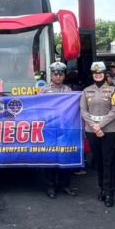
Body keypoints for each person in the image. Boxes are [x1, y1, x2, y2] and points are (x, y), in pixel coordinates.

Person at [81, 61, 115, 207]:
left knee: (109, 162)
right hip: (92, 131)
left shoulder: (114, 90)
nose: (98, 75)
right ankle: (102, 189)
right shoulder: (86, 91)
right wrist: (94, 126)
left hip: (109, 130)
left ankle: (110, 192)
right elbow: (83, 111)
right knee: (98, 161)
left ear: (105, 74)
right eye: (95, 73)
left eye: (100, 72)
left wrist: (100, 126)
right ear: (92, 75)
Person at [39, 61, 77, 198]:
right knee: (49, 157)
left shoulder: (68, 91)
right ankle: (50, 187)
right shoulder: (44, 90)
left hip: (64, 128)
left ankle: (65, 185)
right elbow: (39, 108)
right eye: (55, 74)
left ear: (64, 76)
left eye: (61, 74)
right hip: (49, 128)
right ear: (51, 76)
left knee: (64, 156)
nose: (58, 77)